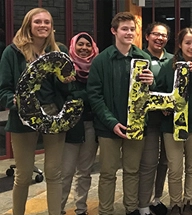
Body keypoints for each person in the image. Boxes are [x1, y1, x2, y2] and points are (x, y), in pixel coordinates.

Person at [0, 7, 73, 215]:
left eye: (47, 22)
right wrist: (14, 101)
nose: (43, 26)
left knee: (54, 172)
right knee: (23, 174)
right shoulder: (12, 52)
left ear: (52, 27)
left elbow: (66, 90)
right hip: (23, 117)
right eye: (38, 22)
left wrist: (66, 81)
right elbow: (3, 88)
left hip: (53, 115)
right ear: (28, 25)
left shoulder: (59, 52)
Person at [86, 12, 154, 215]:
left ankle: (131, 208)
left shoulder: (144, 58)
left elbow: (148, 95)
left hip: (135, 124)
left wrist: (152, 81)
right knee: (108, 173)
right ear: (114, 31)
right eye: (124, 29)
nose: (129, 33)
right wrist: (111, 122)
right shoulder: (101, 61)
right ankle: (105, 211)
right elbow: (94, 96)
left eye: (132, 29)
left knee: (132, 171)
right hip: (109, 127)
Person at [156, 27, 192, 215]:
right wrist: (163, 106)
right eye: (187, 43)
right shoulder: (167, 66)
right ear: (180, 44)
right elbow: (158, 92)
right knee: (174, 167)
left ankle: (188, 201)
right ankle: (175, 203)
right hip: (171, 125)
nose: (191, 46)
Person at [60, 32, 99, 215]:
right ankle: (57, 208)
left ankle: (81, 208)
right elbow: (62, 96)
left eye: (87, 45)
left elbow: (97, 96)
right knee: (65, 172)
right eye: (80, 44)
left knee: (84, 172)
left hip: (91, 126)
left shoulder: (98, 69)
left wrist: (78, 96)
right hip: (69, 128)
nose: (84, 48)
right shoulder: (64, 69)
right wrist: (84, 97)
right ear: (73, 46)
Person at [138, 22, 174, 215]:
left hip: (168, 121)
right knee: (149, 162)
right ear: (147, 36)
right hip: (149, 120)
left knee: (165, 162)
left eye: (164, 35)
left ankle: (156, 198)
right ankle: (143, 204)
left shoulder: (173, 59)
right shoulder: (140, 58)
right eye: (156, 35)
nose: (160, 38)